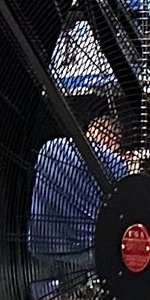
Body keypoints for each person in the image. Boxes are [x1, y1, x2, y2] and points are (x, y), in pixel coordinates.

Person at [28, 98, 132, 281]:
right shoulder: (112, 163)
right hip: (84, 253)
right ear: (112, 140)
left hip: (39, 246)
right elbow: (124, 207)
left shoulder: (50, 147)